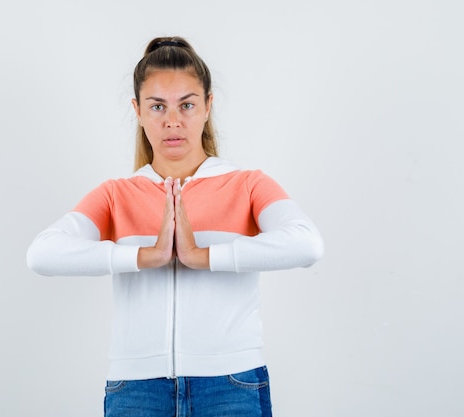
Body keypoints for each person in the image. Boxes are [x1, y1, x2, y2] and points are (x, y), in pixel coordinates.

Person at [27, 36, 323, 417]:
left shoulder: (247, 184)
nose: (172, 121)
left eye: (186, 104)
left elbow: (307, 244)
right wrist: (144, 256)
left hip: (230, 384)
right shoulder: (117, 194)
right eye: (157, 106)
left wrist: (202, 257)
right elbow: (42, 254)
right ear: (137, 110)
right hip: (136, 389)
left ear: (207, 106)